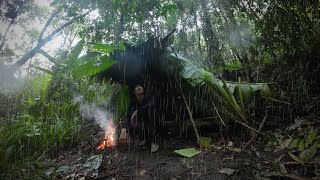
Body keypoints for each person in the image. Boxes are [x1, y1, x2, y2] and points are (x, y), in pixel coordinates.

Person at [120, 84, 162, 152]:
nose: (139, 87)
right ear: (134, 92)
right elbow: (128, 116)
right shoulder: (133, 103)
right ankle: (142, 139)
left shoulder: (149, 98)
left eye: (140, 86)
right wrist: (124, 128)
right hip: (141, 125)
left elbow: (152, 104)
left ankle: (154, 140)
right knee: (130, 124)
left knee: (153, 112)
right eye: (136, 87)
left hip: (151, 123)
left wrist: (138, 111)